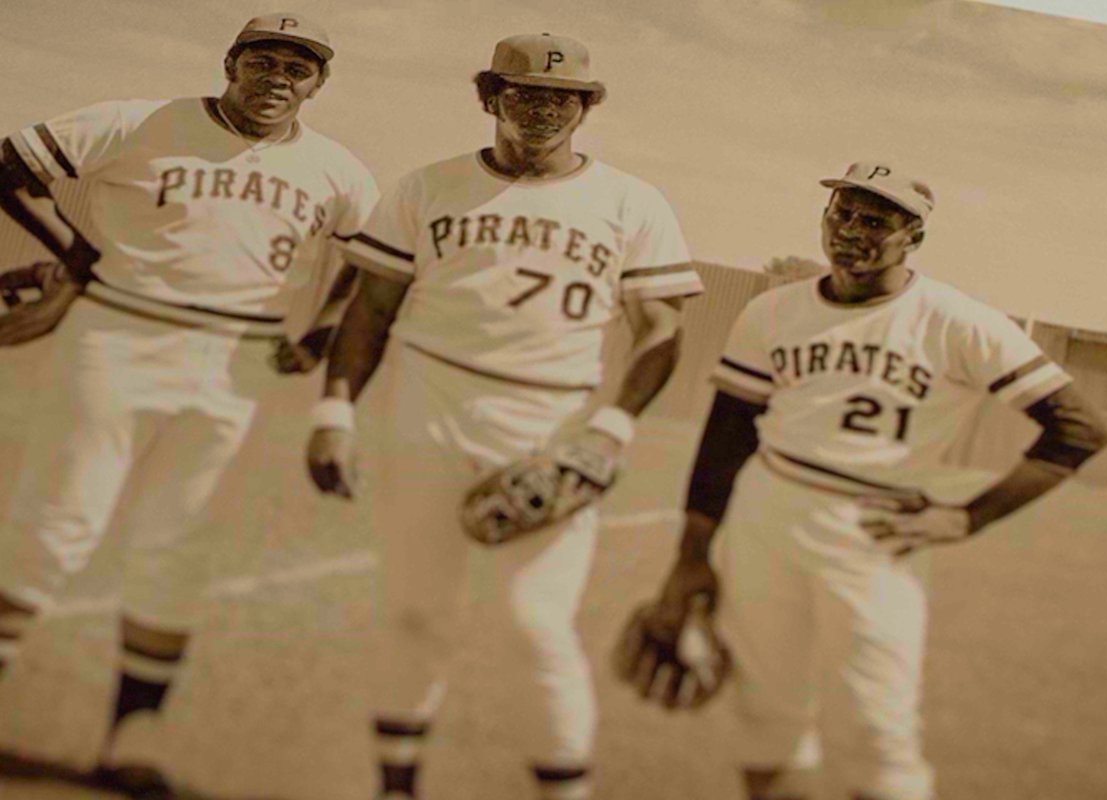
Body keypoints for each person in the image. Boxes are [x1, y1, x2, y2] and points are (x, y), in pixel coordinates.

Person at [624, 162, 1107, 800]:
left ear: (913, 238)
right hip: (766, 518)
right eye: (841, 214)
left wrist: (967, 515)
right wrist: (690, 561)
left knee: (879, 737)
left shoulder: (957, 322)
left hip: (874, 535)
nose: (851, 231)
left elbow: (1077, 429)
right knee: (766, 723)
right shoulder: (773, 313)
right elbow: (726, 442)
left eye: (875, 221)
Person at [306, 32, 703, 800]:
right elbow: (372, 309)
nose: (544, 109)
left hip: (550, 422)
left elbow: (660, 330)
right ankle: (396, 786)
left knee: (535, 626)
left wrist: (611, 430)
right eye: (524, 93)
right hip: (428, 405)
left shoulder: (632, 201)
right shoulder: (426, 187)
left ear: (585, 108)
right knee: (415, 611)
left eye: (563, 97)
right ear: (490, 98)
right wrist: (333, 410)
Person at [0, 12, 377, 795]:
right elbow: (7, 165)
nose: (278, 77)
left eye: (298, 68)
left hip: (239, 366)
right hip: (117, 333)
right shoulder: (138, 121)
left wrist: (321, 332)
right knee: (57, 522)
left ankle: (133, 738)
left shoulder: (340, 170)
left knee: (180, 545)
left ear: (319, 83)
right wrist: (70, 252)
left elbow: (370, 264)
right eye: (263, 60)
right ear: (231, 62)